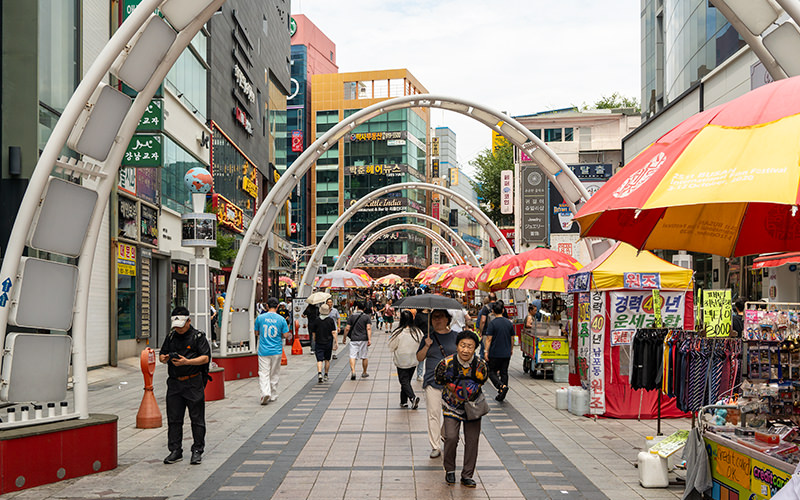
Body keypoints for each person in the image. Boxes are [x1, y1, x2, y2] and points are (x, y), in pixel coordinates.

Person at [435, 330, 488, 488]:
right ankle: (450, 469)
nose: (465, 350)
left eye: (470, 346)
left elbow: (483, 379)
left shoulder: (480, 365)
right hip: (451, 405)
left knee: (472, 440)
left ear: (475, 348)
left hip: (473, 406)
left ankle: (467, 475)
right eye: (462, 345)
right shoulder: (446, 363)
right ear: (457, 346)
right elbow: (438, 379)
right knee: (451, 437)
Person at [159, 306, 211, 465]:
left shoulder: (198, 336)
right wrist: (164, 358)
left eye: (181, 326)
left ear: (189, 321)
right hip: (174, 383)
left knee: (197, 418)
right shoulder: (171, 336)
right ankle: (175, 450)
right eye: (176, 326)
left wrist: (187, 362)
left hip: (193, 382)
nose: (179, 329)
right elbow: (161, 354)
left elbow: (205, 358)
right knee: (174, 418)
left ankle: (197, 450)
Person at [416, 308, 458, 459]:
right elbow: (419, 358)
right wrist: (426, 345)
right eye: (434, 317)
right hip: (432, 381)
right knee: (433, 414)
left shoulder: (456, 336)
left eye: (440, 317)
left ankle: (443, 432)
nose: (437, 320)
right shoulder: (428, 338)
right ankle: (435, 446)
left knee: (452, 413)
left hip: (452, 383)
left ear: (447, 319)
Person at [255, 297, 290, 405]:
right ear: (278, 306)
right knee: (274, 373)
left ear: (267, 306)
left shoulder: (260, 318)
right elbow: (286, 335)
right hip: (277, 350)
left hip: (263, 350)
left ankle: (265, 392)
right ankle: (273, 393)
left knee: (263, 372)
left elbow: (256, 333)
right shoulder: (281, 319)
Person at [388, 310, 422, 409]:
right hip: (413, 359)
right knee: (406, 381)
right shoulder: (417, 332)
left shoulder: (398, 332)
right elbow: (421, 344)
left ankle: (412, 398)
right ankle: (403, 401)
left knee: (404, 381)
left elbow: (391, 347)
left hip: (401, 360)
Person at [484, 301, 514, 401]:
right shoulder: (509, 323)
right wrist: (511, 349)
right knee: (504, 372)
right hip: (506, 352)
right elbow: (512, 338)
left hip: (495, 353)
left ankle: (501, 386)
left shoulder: (492, 324)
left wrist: (486, 351)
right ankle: (502, 393)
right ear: (503, 310)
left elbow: (489, 339)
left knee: (491, 372)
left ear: (493, 311)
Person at [344, 300, 372, 380]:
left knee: (352, 356)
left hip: (354, 339)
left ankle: (353, 371)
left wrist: (344, 337)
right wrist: (369, 339)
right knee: (364, 356)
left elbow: (347, 328)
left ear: (357, 307)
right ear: (365, 308)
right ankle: (364, 372)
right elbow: (368, 328)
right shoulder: (366, 317)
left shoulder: (351, 316)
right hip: (363, 339)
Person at [315, 303, 338, 382]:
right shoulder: (330, 320)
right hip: (328, 342)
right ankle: (326, 374)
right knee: (327, 359)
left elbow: (314, 332)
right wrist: (336, 342)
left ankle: (319, 373)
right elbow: (333, 332)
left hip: (319, 341)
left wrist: (315, 339)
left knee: (319, 360)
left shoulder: (317, 320)